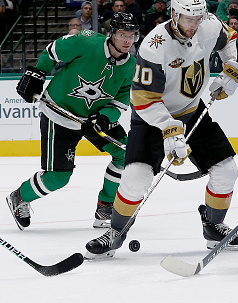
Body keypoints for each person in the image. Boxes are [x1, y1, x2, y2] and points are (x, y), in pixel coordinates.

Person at [85, 0, 238, 258]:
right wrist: (170, 131)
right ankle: (115, 232)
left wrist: (231, 67)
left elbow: (228, 39)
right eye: (188, 19)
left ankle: (214, 226)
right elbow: (143, 100)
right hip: (151, 118)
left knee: (227, 171)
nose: (194, 25)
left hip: (192, 111)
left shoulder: (207, 25)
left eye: (198, 18)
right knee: (136, 178)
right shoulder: (154, 45)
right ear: (174, 14)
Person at [6, 13, 139, 231]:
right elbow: (53, 51)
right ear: (112, 34)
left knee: (125, 155)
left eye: (131, 36)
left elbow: (119, 103)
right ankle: (20, 197)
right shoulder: (87, 42)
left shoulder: (130, 65)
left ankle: (105, 206)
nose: (127, 40)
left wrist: (105, 119)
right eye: (122, 34)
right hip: (59, 115)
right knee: (58, 177)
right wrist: (38, 72)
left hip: (93, 119)